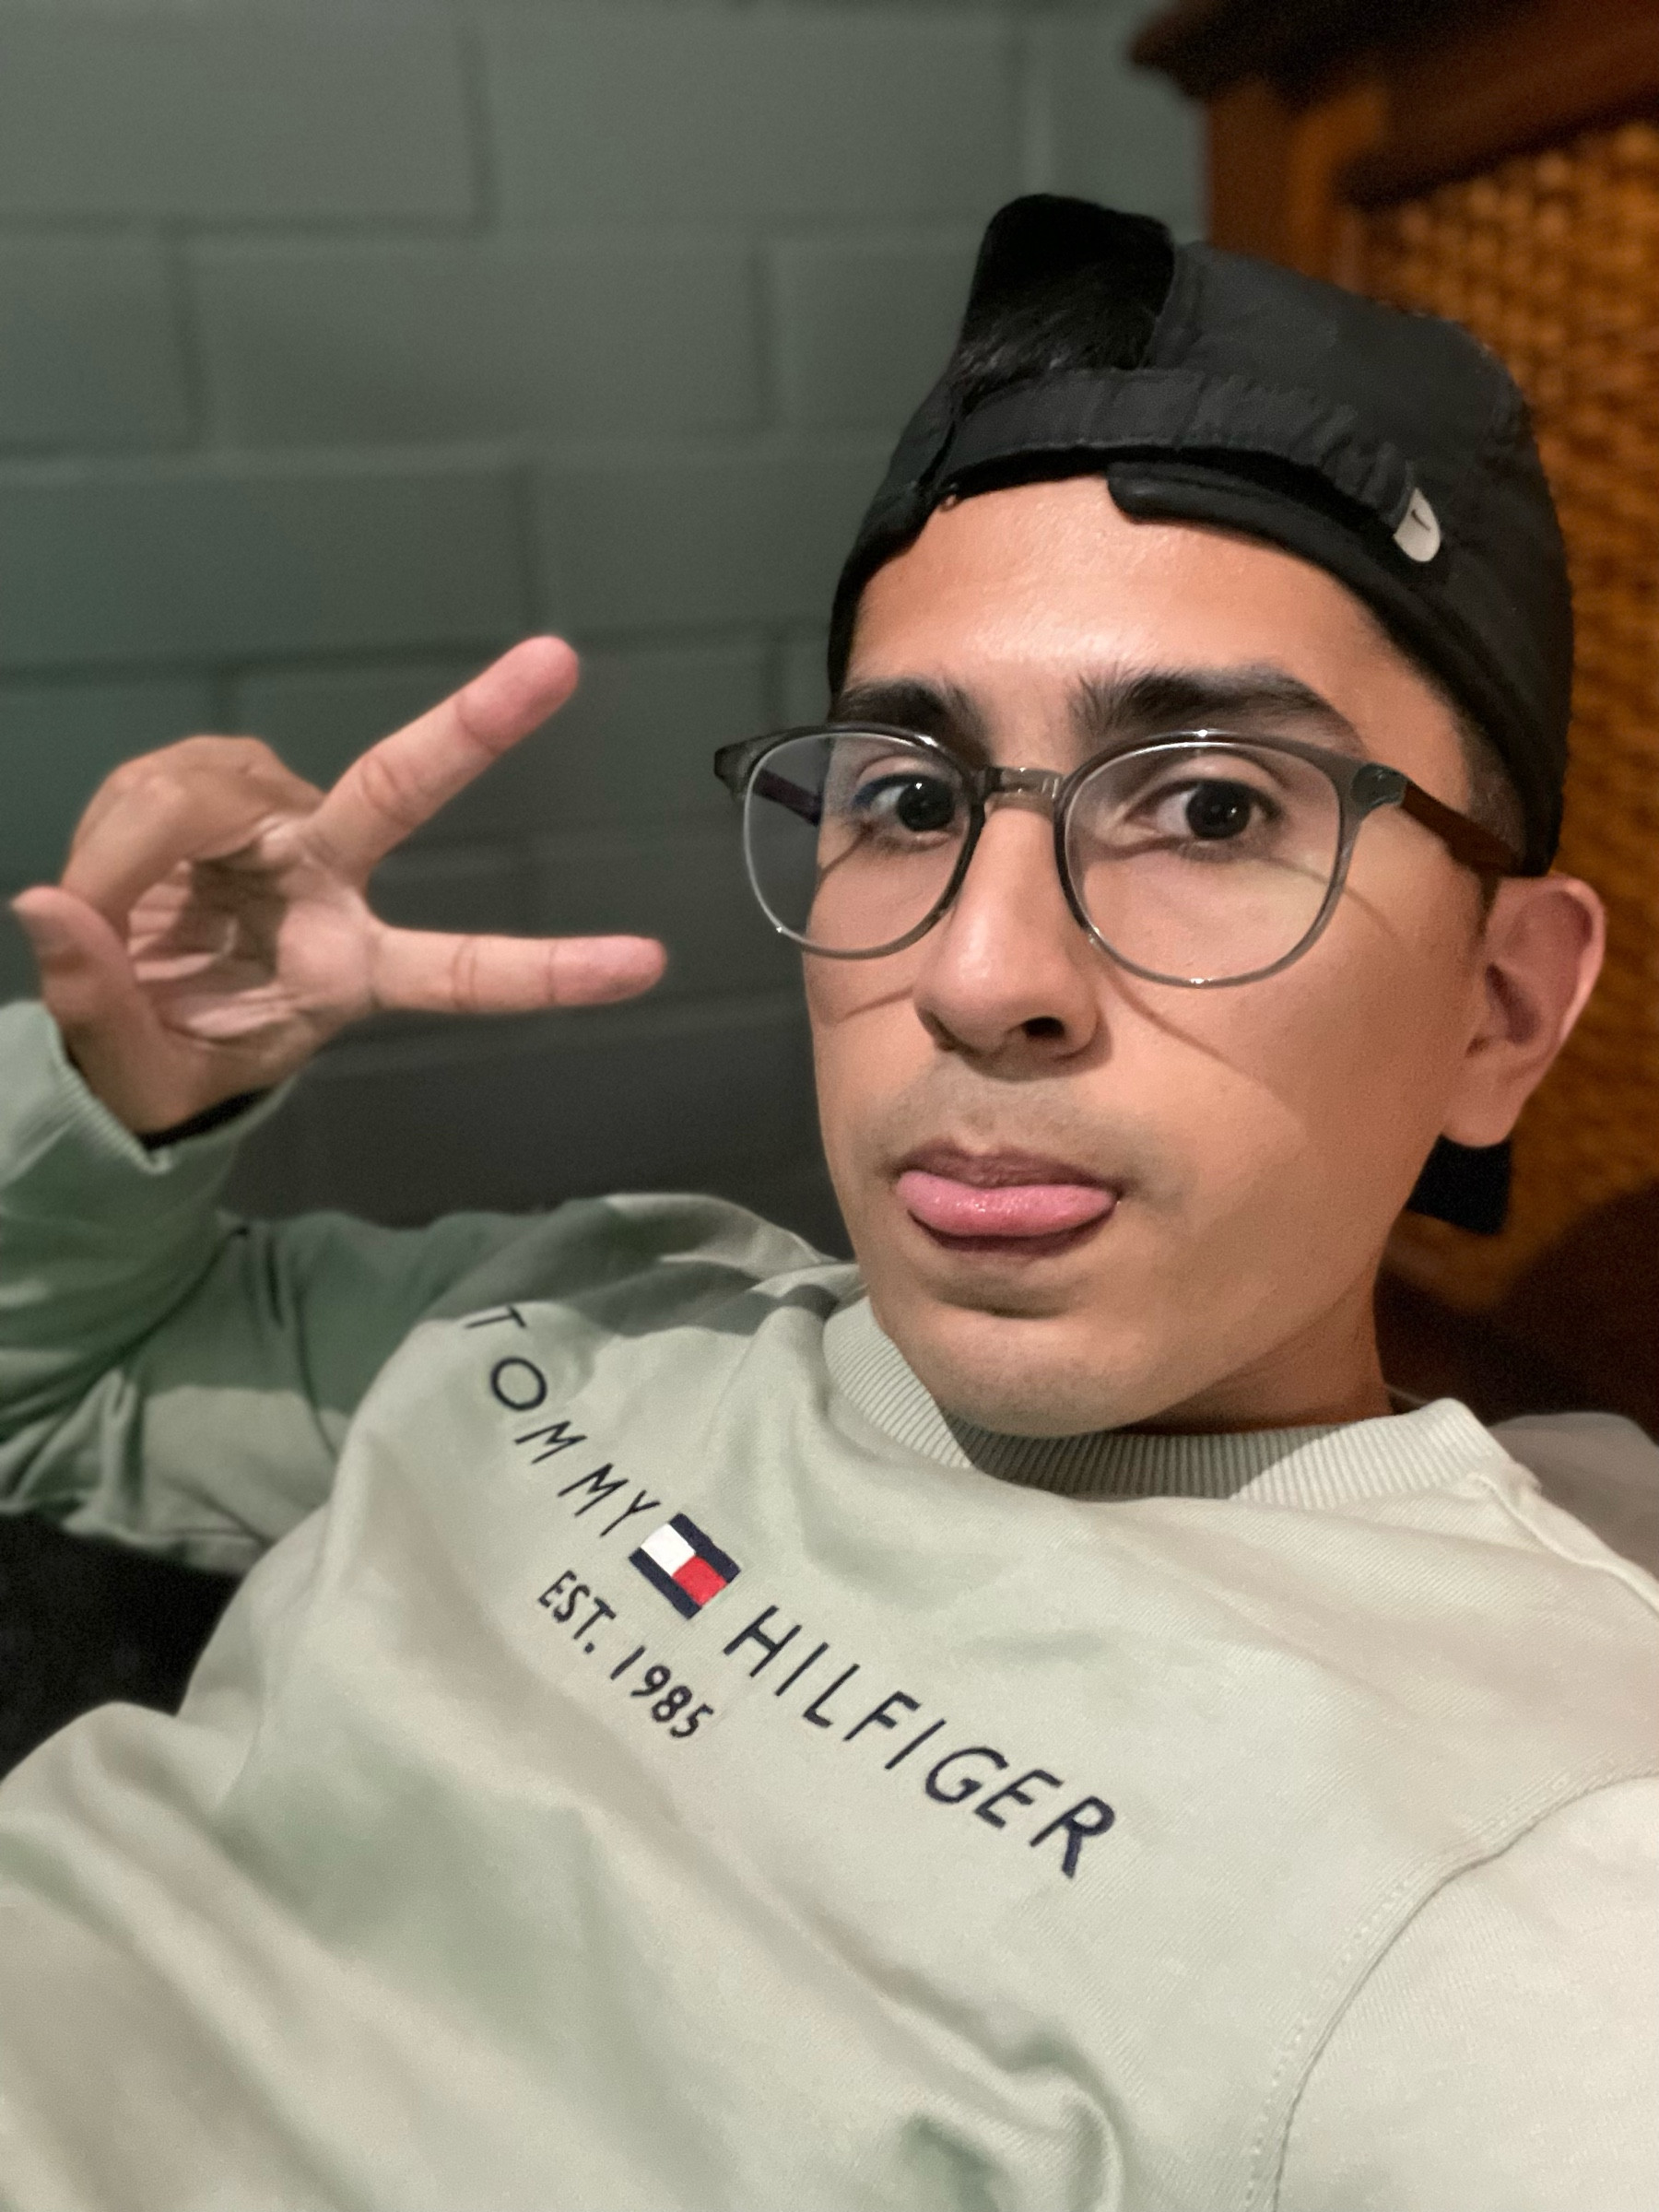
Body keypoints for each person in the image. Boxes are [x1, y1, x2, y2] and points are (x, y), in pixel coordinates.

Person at [1, 196, 1654, 2211]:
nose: (977, 972)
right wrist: (128, 1098)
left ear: (1501, 1009)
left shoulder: (1539, 1855)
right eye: (909, 799)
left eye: (1212, 806)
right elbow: (54, 1391)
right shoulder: (609, 1302)